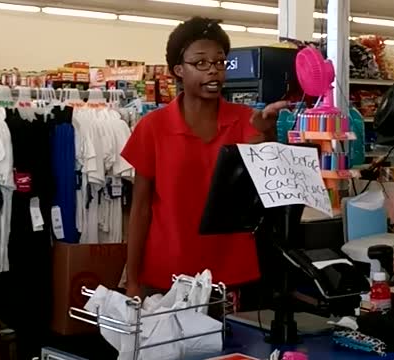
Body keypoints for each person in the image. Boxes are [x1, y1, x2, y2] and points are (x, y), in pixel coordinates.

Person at [121, 17, 288, 297]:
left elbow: (270, 190)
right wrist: (133, 279)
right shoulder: (153, 127)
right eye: (200, 63)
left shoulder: (247, 122)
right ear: (178, 70)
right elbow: (140, 209)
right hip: (167, 275)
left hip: (232, 274)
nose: (213, 71)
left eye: (220, 62)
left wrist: (268, 136)